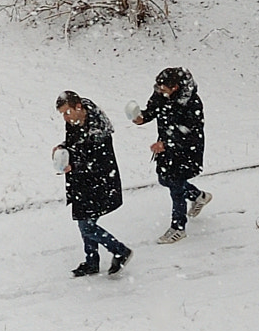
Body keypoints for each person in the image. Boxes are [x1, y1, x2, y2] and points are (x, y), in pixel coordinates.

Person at [55, 91, 132, 277]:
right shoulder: (74, 121)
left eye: (67, 112)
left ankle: (120, 251)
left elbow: (97, 162)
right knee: (86, 220)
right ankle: (91, 262)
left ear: (78, 107)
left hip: (99, 182)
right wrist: (62, 148)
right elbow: (76, 145)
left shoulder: (98, 132)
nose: (65, 118)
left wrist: (73, 166)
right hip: (83, 182)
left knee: (86, 225)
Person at [133, 67, 210, 243]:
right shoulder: (160, 94)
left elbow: (189, 131)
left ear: (174, 87)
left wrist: (167, 144)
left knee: (176, 186)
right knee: (164, 179)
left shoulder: (191, 102)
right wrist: (141, 117)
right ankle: (199, 196)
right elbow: (153, 109)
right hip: (166, 146)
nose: (160, 91)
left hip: (186, 149)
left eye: (163, 88)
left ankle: (178, 227)